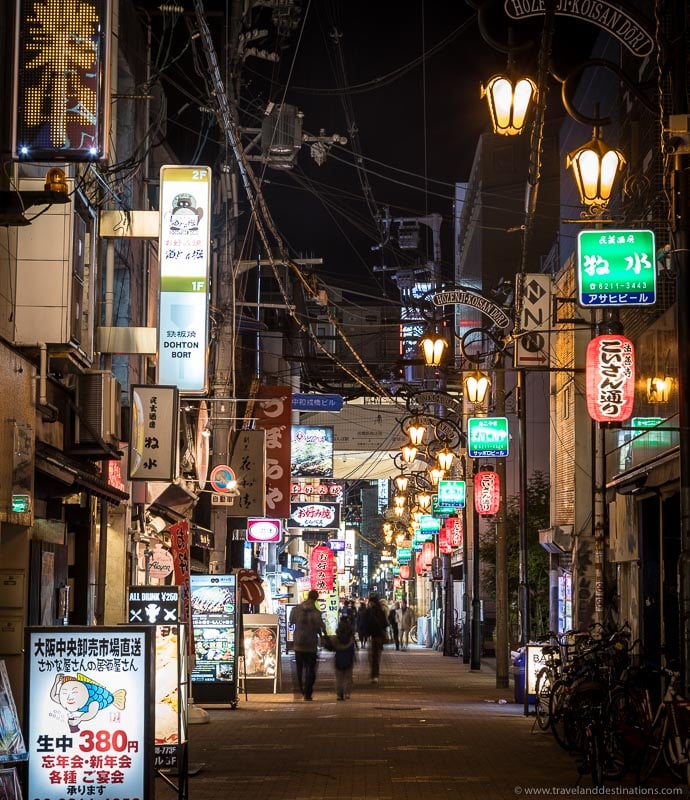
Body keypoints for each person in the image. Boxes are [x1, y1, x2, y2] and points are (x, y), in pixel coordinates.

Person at [289, 589, 326, 700]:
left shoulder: (296, 609)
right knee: (311, 669)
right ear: (315, 598)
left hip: (298, 643)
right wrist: (324, 635)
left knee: (299, 668)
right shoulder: (316, 612)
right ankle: (307, 693)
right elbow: (320, 626)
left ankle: (300, 689)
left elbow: (291, 621)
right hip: (311, 644)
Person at [364, 594, 388, 683]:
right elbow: (385, 624)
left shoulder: (369, 612)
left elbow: (366, 624)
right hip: (379, 637)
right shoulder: (381, 611)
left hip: (373, 637)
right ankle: (375, 675)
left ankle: (373, 675)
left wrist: (366, 634)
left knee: (372, 657)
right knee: (376, 656)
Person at [332, 618, 356, 700]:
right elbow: (353, 649)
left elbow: (332, 647)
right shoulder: (351, 638)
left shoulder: (336, 638)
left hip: (338, 659)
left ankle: (339, 694)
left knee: (339, 678)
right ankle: (347, 693)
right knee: (348, 677)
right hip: (349, 658)